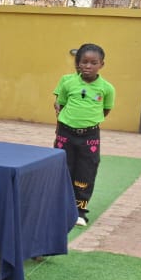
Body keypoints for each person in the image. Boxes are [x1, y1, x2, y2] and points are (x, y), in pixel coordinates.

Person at [53, 43, 114, 227]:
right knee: (63, 168)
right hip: (66, 133)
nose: (88, 66)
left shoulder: (107, 88)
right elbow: (60, 104)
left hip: (90, 136)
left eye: (93, 62)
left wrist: (87, 123)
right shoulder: (68, 82)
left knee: (86, 172)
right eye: (84, 62)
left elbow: (105, 110)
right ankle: (61, 206)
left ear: (101, 64)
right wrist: (68, 121)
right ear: (78, 64)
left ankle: (80, 211)